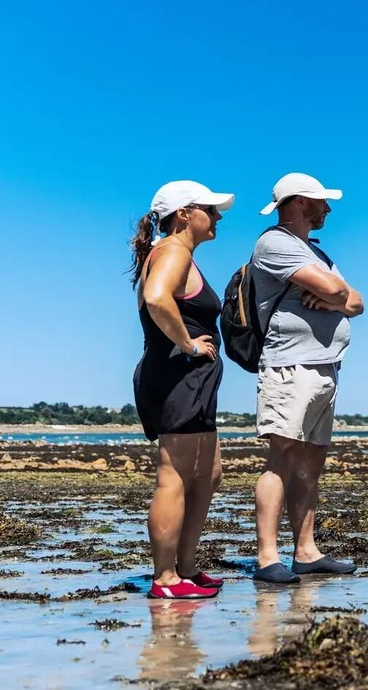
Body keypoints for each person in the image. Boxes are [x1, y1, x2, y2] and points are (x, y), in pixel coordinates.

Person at [249, 173, 364, 584]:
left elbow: (357, 301)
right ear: (299, 202)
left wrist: (336, 296)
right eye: (321, 202)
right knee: (281, 459)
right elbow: (338, 290)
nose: (327, 209)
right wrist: (335, 295)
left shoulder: (315, 251)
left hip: (325, 367)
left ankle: (306, 550)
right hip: (289, 367)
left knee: (311, 465)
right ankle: (267, 557)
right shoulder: (275, 242)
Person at [130, 181, 232, 599]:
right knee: (173, 476)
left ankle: (186, 568)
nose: (219, 216)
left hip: (190, 378)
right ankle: (165, 579)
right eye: (211, 208)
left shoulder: (177, 253)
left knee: (209, 474)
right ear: (185, 213)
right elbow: (157, 299)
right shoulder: (172, 250)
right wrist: (187, 344)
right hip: (178, 375)